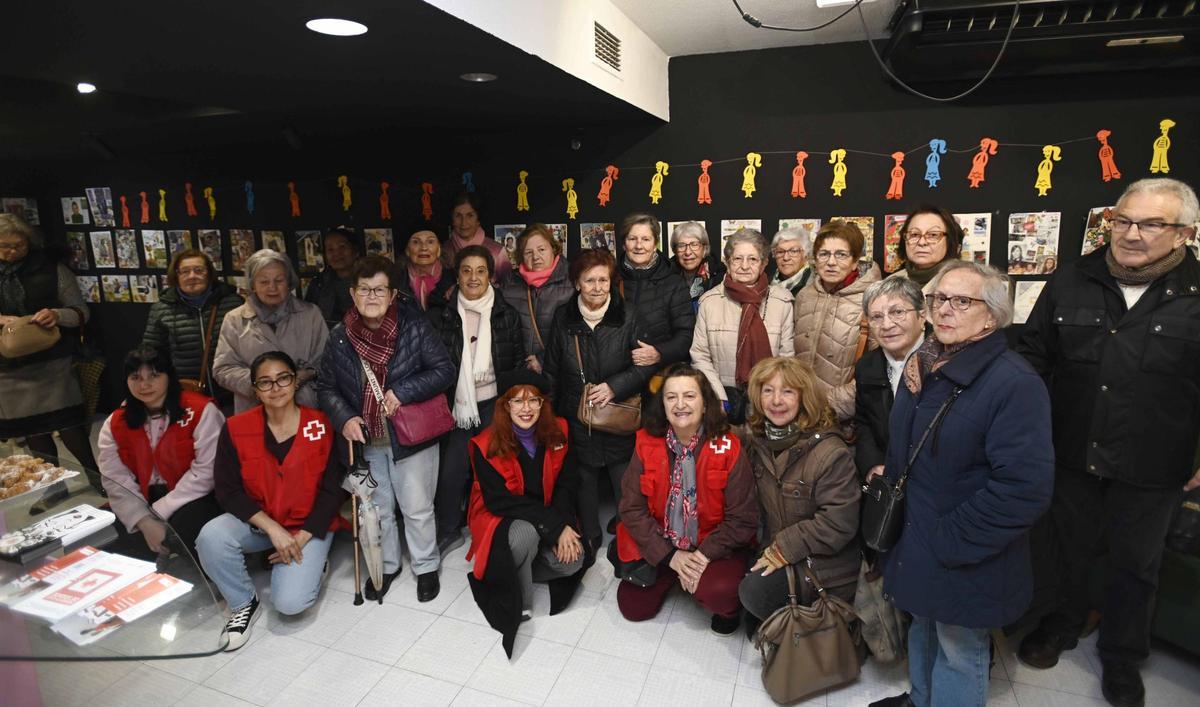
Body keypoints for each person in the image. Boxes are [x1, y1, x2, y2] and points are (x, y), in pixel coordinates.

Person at [1016, 178, 1200, 707]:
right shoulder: (1073, 278)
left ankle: (1122, 658)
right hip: (1071, 449)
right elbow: (1033, 355)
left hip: (1154, 462)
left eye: (1150, 224)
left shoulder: (1195, 292)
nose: (1131, 234)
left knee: (1136, 566)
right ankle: (1061, 625)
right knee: (1067, 550)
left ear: (1184, 233)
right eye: (1122, 220)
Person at [871, 262, 1053, 707]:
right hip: (919, 537)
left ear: (992, 317)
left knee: (959, 646)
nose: (945, 310)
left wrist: (950, 540)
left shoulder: (1014, 383)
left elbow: (1024, 489)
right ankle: (921, 699)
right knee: (923, 624)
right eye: (938, 299)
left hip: (963, 546)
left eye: (962, 301)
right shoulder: (924, 365)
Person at [317, 254, 455, 602]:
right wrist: (344, 417)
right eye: (365, 289)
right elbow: (326, 387)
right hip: (367, 439)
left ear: (393, 294)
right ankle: (388, 564)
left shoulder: (414, 326)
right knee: (376, 510)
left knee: (417, 507)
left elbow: (443, 371)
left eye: (380, 289)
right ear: (353, 293)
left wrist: (402, 391)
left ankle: (425, 566)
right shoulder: (339, 338)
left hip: (411, 437)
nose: (372, 296)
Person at [197, 351, 347, 651]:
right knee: (210, 537)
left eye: (283, 379)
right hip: (262, 523)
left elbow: (334, 489)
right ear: (254, 389)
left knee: (291, 604)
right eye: (265, 382)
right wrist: (273, 530)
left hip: (307, 525)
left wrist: (301, 538)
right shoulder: (236, 428)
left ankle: (316, 564)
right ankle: (243, 603)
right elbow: (227, 490)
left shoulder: (320, 425)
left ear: (295, 382)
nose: (275, 388)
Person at [613, 363, 757, 634]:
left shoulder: (729, 447)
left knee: (720, 594)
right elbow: (631, 508)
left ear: (705, 403)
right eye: (671, 397)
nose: (680, 404)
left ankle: (705, 586)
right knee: (632, 606)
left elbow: (743, 519)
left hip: (712, 547)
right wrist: (670, 557)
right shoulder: (646, 443)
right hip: (665, 542)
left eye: (690, 396)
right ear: (663, 405)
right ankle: (675, 574)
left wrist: (702, 556)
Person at [465, 372, 585, 654]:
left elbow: (567, 486)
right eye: (517, 401)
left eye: (533, 400)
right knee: (525, 535)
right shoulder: (485, 445)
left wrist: (562, 526)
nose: (526, 408)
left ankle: (520, 567)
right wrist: (553, 526)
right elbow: (499, 502)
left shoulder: (560, 432)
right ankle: (521, 595)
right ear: (505, 406)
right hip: (502, 519)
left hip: (544, 515)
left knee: (574, 561)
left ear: (543, 404)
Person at [543, 248, 654, 549]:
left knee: (623, 479)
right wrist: (549, 417)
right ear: (577, 283)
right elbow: (552, 368)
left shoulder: (628, 315)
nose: (597, 287)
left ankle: (628, 537)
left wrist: (614, 387)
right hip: (575, 411)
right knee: (583, 478)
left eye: (603, 280)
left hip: (616, 409)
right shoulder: (563, 316)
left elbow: (646, 364)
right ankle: (590, 535)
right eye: (589, 281)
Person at [737, 357, 860, 624]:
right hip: (781, 547)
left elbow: (839, 523)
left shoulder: (830, 453)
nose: (776, 400)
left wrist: (782, 548)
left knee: (753, 594)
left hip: (822, 561)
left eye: (788, 391)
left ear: (804, 397)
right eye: (768, 391)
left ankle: (822, 622)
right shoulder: (760, 440)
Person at [428, 246, 526, 554]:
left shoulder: (506, 313)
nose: (473, 277)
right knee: (453, 469)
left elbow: (516, 360)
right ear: (456, 275)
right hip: (454, 405)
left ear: (491, 276)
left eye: (480, 271)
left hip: (493, 402)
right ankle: (448, 528)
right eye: (466, 270)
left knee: (493, 466)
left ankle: (493, 524)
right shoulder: (441, 314)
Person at [0, 214, 101, 489]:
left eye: (18, 246)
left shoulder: (51, 269)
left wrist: (56, 315)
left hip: (52, 361)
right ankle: (53, 487)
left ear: (28, 242)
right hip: (8, 368)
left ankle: (96, 477)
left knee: (68, 423)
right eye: (4, 246)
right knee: (31, 429)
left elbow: (82, 312)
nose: (11, 252)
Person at [97, 346, 224, 558]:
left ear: (169, 376)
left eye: (154, 375)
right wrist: (144, 520)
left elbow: (207, 472)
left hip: (193, 496)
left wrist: (159, 512)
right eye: (135, 377)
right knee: (101, 537)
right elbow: (115, 478)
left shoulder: (201, 411)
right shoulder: (115, 422)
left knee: (184, 532)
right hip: (141, 498)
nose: (144, 385)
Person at [691, 228, 795, 422]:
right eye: (737, 259)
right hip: (724, 406)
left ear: (764, 264)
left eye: (753, 259)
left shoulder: (783, 302)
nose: (744, 266)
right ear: (727, 263)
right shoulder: (709, 302)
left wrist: (775, 398)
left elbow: (787, 359)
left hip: (770, 406)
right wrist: (719, 399)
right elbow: (700, 355)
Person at [213, 249, 328, 413]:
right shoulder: (235, 319)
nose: (272, 287)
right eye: (264, 282)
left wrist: (305, 375)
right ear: (253, 285)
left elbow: (326, 361)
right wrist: (263, 383)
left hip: (305, 408)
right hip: (254, 410)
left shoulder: (310, 314)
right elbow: (223, 369)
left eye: (279, 280)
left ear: (289, 283)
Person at [793, 221, 882, 421]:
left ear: (855, 260)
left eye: (841, 254)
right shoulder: (804, 296)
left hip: (842, 417)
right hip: (798, 413)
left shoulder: (875, 300)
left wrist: (830, 406)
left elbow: (880, 367)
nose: (831, 262)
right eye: (824, 254)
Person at [142, 249, 244, 408]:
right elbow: (151, 353)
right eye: (185, 271)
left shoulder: (232, 303)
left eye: (199, 270)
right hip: (186, 395)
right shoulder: (162, 309)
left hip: (231, 393)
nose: (192, 276)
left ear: (209, 273)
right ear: (176, 275)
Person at [854, 277, 927, 482]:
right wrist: (872, 464)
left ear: (922, 316)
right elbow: (864, 423)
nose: (886, 324)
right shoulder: (866, 367)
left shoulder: (945, 362)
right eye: (876, 316)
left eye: (897, 312)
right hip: (888, 481)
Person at [618, 214, 696, 376]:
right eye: (632, 238)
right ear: (624, 244)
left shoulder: (673, 283)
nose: (639, 246)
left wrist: (659, 353)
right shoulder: (610, 279)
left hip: (660, 377)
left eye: (646, 239)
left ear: (655, 244)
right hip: (618, 374)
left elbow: (686, 334)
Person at [499, 224, 574, 373]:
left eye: (541, 250)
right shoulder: (509, 283)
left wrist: (543, 359)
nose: (535, 257)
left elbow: (578, 333)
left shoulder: (573, 280)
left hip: (560, 370)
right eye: (528, 252)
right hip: (522, 371)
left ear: (553, 249)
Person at [889, 205, 963, 293]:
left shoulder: (964, 283)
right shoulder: (889, 284)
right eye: (914, 235)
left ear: (950, 241)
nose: (922, 242)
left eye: (933, 235)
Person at [443, 192, 511, 282]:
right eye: (458, 216)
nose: (464, 223)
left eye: (470, 215)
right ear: (452, 219)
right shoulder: (444, 251)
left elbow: (509, 289)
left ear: (478, 219)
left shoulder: (497, 252)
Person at [304, 227, 361, 327]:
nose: (336, 253)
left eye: (342, 247)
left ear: (356, 251)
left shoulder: (372, 280)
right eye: (330, 249)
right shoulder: (318, 284)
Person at [668, 221, 725, 310]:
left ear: (704, 249)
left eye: (694, 245)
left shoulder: (719, 277)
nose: (688, 252)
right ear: (675, 250)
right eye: (681, 245)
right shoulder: (665, 276)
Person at [401, 229, 454, 310]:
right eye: (416, 242)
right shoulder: (395, 279)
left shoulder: (453, 279)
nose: (424, 248)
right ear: (407, 250)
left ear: (439, 250)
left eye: (430, 242)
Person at [766, 226, 813, 295]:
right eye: (780, 252)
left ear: (805, 255)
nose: (786, 258)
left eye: (793, 251)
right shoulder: (766, 281)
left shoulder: (813, 284)